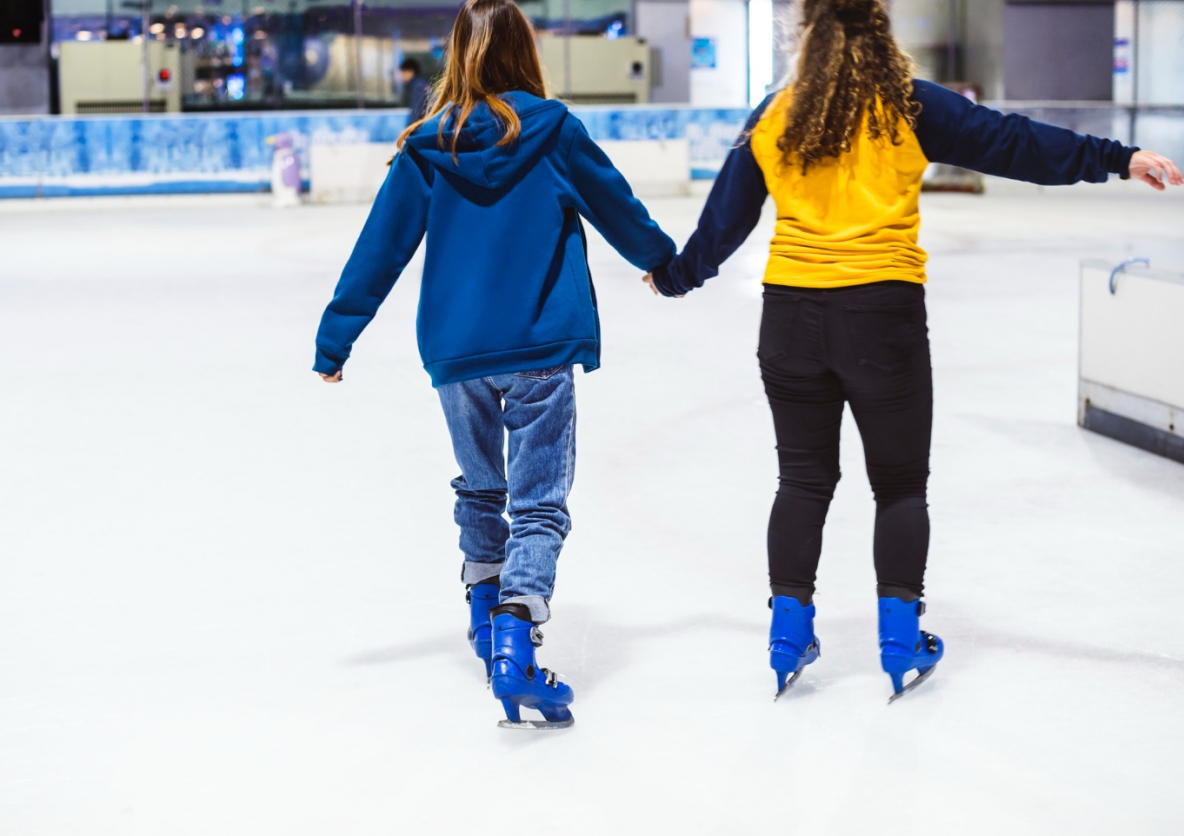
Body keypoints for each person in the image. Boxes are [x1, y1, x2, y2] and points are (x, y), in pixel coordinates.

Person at [645, 0, 1182, 703]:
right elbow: (1012, 143)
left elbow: (725, 220)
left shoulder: (774, 116)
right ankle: (900, 643)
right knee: (899, 486)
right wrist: (1116, 159)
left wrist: (677, 276)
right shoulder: (908, 106)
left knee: (803, 481)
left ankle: (786, 636)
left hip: (791, 321)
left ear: (804, 36)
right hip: (882, 320)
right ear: (879, 32)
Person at [314, 0, 675, 729]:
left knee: (482, 491)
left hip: (458, 354)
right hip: (540, 347)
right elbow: (618, 206)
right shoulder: (553, 131)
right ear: (524, 51)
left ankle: (485, 622)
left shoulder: (426, 145)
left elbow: (379, 250)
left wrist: (336, 337)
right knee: (537, 503)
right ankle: (516, 636)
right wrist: (664, 263)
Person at [400, 57, 431, 122]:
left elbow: (416, 112)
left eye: (404, 73)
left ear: (411, 72)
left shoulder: (418, 86)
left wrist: (409, 130)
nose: (402, 76)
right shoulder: (421, 83)